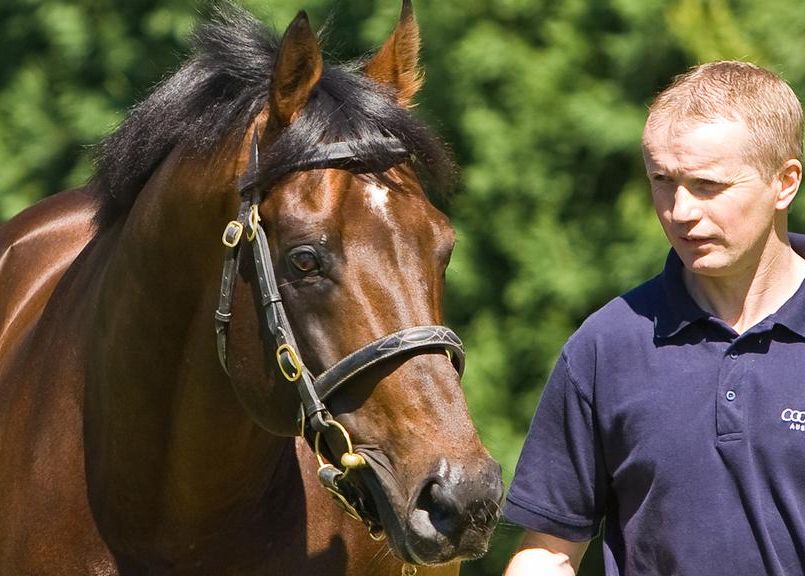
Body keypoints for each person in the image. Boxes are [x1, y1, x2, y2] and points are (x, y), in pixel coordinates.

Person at [502, 60, 805, 576]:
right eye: (662, 180)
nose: (680, 211)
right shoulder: (606, 345)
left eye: (707, 184)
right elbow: (548, 553)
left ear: (785, 182)